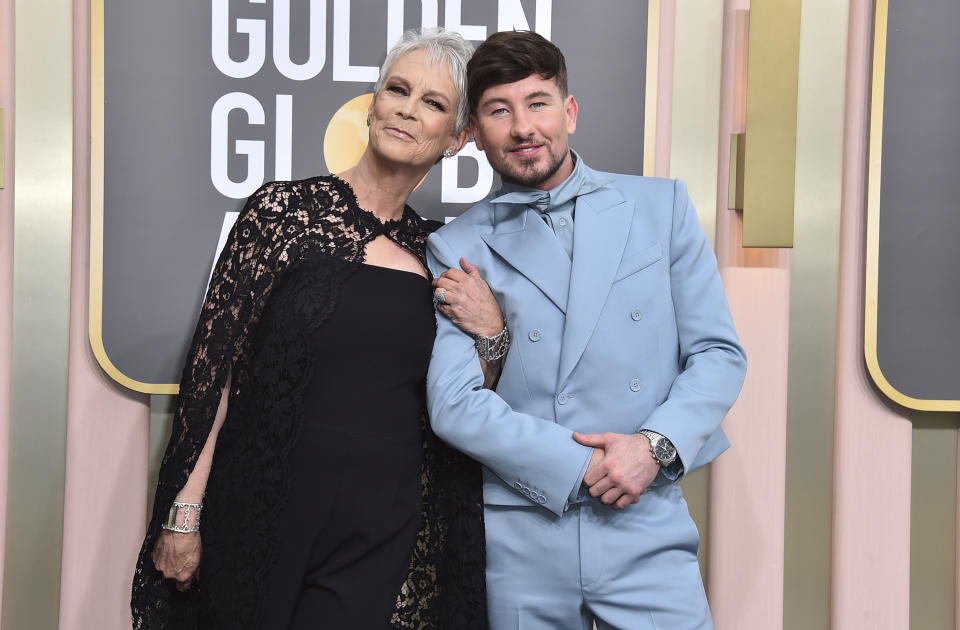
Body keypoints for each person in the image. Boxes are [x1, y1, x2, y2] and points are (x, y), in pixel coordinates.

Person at [131, 28, 499, 630]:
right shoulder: (281, 215)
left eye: (432, 102)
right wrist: (185, 511)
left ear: (459, 136)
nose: (407, 108)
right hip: (260, 508)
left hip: (380, 529)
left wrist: (490, 332)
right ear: (374, 102)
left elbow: (461, 394)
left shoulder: (443, 253)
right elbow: (216, 373)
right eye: (397, 90)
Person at [426, 30, 747, 629]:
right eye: (500, 110)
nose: (523, 127)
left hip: (643, 511)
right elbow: (453, 404)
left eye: (538, 103)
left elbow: (718, 354)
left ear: (569, 111)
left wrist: (649, 449)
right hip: (520, 529)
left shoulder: (661, 206)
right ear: (475, 130)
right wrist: (576, 467)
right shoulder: (457, 245)